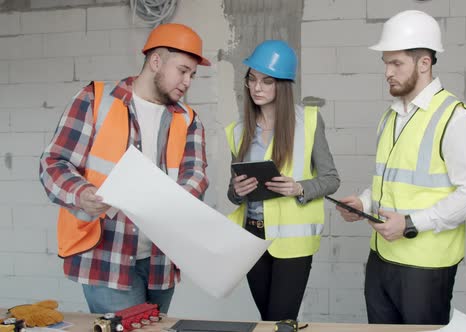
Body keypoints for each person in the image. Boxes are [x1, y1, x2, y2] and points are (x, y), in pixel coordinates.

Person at [39, 23, 210, 314]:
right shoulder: (95, 100)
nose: (188, 81)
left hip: (160, 261)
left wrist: (176, 201)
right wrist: (82, 194)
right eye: (183, 70)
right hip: (108, 258)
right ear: (156, 61)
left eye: (192, 74)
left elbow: (196, 176)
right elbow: (54, 163)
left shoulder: (188, 119)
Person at [335, 10, 466, 325]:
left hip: (425, 266)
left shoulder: (457, 118)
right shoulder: (390, 116)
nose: (387, 73)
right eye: (386, 64)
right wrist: (363, 203)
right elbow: (390, 181)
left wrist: (411, 222)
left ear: (424, 63)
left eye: (396, 64)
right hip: (381, 258)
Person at [225, 40, 340, 321]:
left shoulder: (310, 121)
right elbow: (234, 192)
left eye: (267, 81)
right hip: (251, 238)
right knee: (267, 321)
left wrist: (300, 187)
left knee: (280, 321)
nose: (257, 87)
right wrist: (237, 191)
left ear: (283, 85)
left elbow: (331, 179)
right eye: (252, 79)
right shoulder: (237, 131)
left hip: (292, 242)